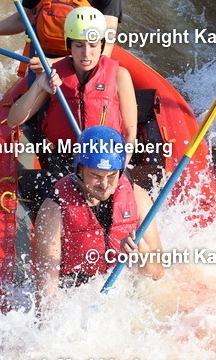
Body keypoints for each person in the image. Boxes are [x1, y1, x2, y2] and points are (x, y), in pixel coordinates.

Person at [33, 126, 163, 302]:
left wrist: (142, 254)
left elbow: (157, 273)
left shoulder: (138, 197)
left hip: (124, 295)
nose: (104, 185)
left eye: (111, 176)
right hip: (76, 298)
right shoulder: (53, 210)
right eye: (95, 175)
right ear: (80, 170)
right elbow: (46, 291)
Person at [6, 6, 136, 145]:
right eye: (79, 45)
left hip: (104, 156)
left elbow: (130, 134)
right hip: (62, 156)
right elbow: (12, 121)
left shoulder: (119, 75)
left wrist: (122, 164)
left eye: (93, 45)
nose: (86, 53)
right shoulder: (54, 75)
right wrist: (38, 85)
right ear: (69, 47)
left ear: (101, 46)